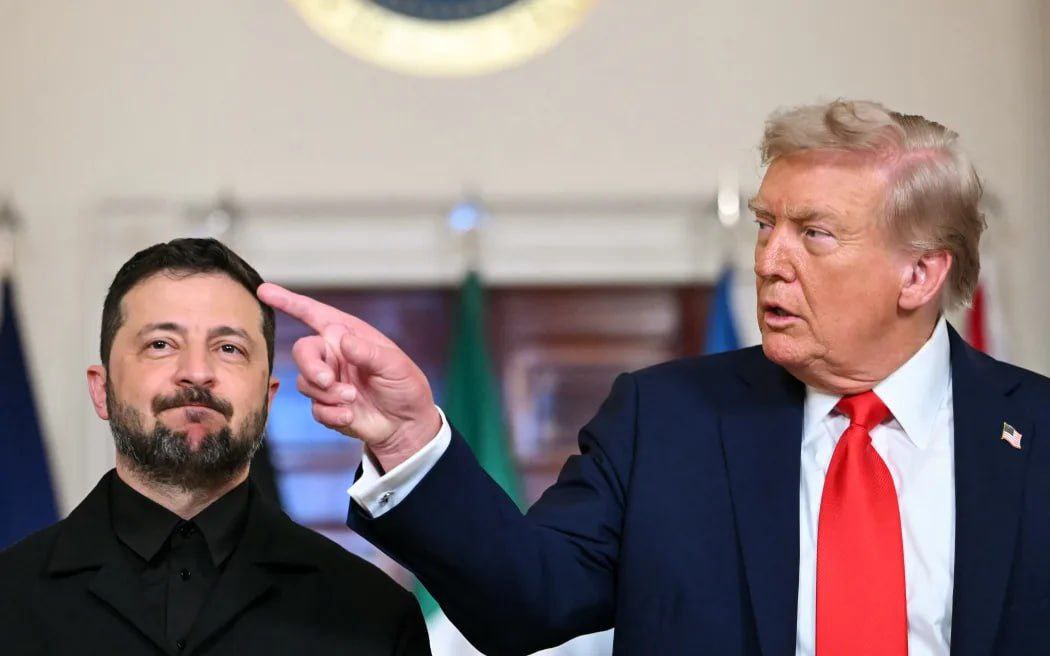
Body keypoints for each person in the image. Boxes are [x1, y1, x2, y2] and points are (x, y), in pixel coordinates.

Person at [260, 100, 1050, 656]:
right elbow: (524, 601)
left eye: (814, 234)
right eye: (766, 224)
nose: (769, 261)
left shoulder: (1037, 436)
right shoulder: (667, 421)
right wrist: (407, 438)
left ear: (919, 274)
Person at [0, 238, 429, 656]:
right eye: (160, 344)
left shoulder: (375, 618)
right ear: (101, 391)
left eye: (229, 348)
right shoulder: (9, 599)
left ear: (267, 399)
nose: (197, 372)